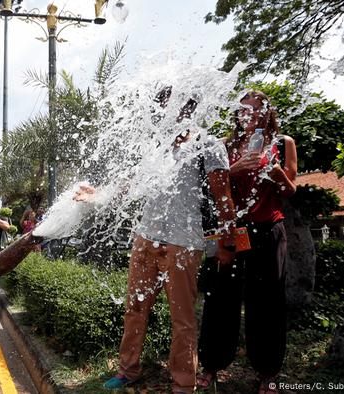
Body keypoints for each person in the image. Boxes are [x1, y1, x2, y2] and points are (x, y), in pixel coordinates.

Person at [76, 94, 237, 394]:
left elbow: (223, 196)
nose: (162, 113)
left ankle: (183, 384)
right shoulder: (157, 149)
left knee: (183, 320)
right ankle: (128, 369)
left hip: (182, 245)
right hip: (145, 239)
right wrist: (97, 193)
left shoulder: (209, 145)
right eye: (160, 108)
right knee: (135, 308)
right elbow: (132, 185)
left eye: (168, 106)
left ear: (188, 108)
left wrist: (228, 242)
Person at [197, 91, 297, 394]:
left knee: (267, 302)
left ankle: (268, 372)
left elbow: (290, 189)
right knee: (219, 299)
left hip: (269, 231)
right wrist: (233, 169)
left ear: (267, 113)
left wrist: (272, 170)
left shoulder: (283, 143)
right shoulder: (225, 146)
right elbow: (209, 188)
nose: (249, 115)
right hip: (230, 233)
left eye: (256, 109)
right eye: (243, 110)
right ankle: (211, 365)